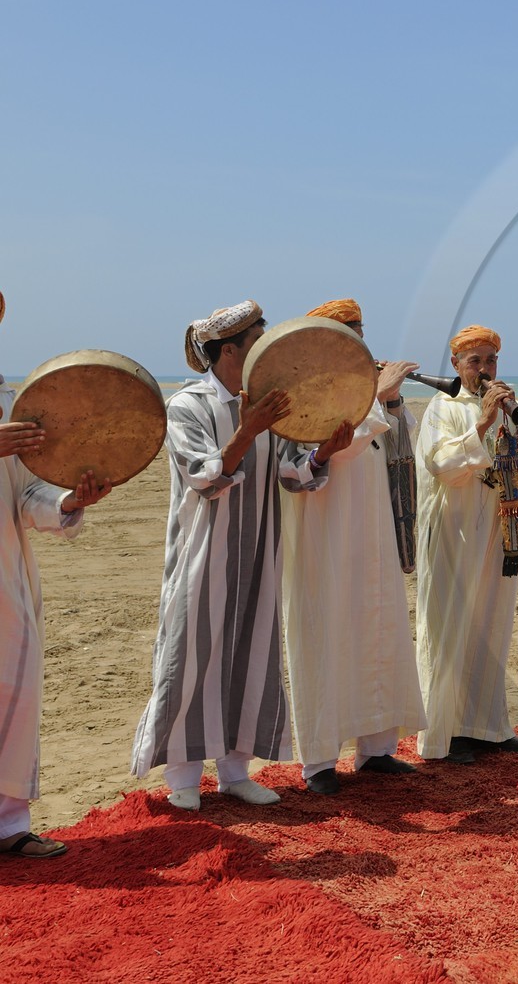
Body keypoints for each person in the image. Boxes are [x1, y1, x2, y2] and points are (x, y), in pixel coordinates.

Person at [131, 301, 353, 810]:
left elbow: (293, 472)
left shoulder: (270, 403)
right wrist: (249, 428)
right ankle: (184, 779)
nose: (266, 348)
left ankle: (235, 772)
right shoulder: (187, 405)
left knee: (251, 654)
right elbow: (204, 477)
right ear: (229, 350)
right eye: (257, 340)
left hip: (258, 550)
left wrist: (324, 452)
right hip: (202, 554)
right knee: (193, 657)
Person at [280, 299, 428, 795]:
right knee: (326, 637)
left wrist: (391, 402)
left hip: (375, 533)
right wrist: (376, 398)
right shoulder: (302, 392)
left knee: (378, 628)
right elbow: (308, 462)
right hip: (326, 535)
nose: (360, 340)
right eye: (348, 331)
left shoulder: (366, 390)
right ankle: (320, 761)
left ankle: (377, 749)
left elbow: (397, 448)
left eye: (360, 330)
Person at [414, 325, 518, 764]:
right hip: (455, 530)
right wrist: (482, 423)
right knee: (451, 625)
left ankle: (488, 728)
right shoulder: (442, 407)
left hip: (499, 528)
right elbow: (442, 465)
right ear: (456, 365)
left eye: (490, 360)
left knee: (491, 624)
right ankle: (448, 733)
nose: (484, 368)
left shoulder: (507, 405)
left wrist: (514, 416)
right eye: (474, 361)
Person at [0, 353, 111, 857]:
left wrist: (69, 501)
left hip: (7, 576)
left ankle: (9, 823)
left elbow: (26, 493)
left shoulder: (10, 402)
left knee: (14, 693)